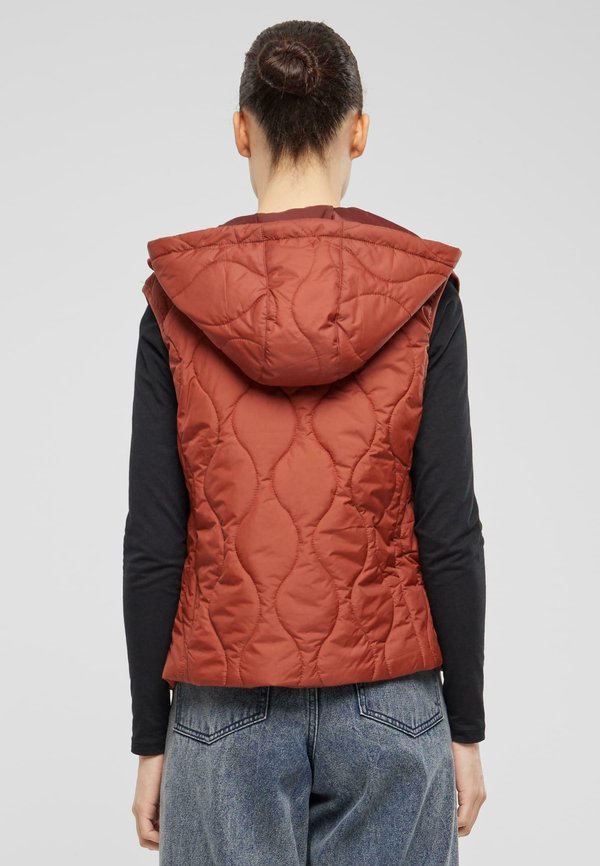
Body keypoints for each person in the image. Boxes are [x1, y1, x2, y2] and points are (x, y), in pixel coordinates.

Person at [123, 18, 487, 866]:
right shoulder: (422, 295)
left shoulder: (177, 302)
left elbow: (154, 542)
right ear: (357, 131)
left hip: (223, 713)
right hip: (393, 707)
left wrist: (150, 737)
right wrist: (464, 726)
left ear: (240, 129)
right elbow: (449, 528)